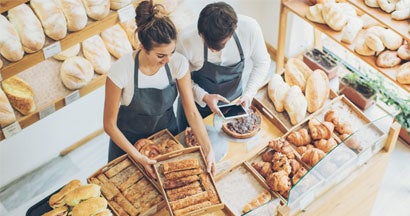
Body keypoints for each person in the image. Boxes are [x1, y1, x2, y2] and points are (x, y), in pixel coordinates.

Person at [103, 0, 215, 177]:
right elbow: (109, 125)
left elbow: (191, 112)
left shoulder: (178, 63)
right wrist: (138, 156)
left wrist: (208, 149)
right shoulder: (121, 71)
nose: (168, 60)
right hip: (128, 146)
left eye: (171, 52)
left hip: (166, 138)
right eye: (161, 55)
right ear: (142, 48)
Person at [176, 2, 271, 131]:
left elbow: (262, 63)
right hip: (195, 107)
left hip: (233, 104)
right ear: (200, 33)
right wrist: (204, 96)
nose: (213, 50)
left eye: (221, 44)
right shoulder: (185, 40)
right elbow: (180, 80)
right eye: (207, 43)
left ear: (232, 33)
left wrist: (249, 94)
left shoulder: (250, 29)